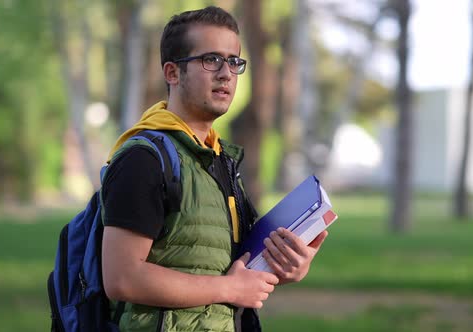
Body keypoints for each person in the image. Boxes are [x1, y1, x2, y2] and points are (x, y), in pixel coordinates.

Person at [100, 6, 328, 332]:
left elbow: (229, 266)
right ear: (172, 73)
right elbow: (123, 278)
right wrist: (230, 289)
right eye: (211, 60)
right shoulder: (144, 159)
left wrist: (291, 266)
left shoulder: (219, 159)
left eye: (234, 62)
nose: (226, 74)